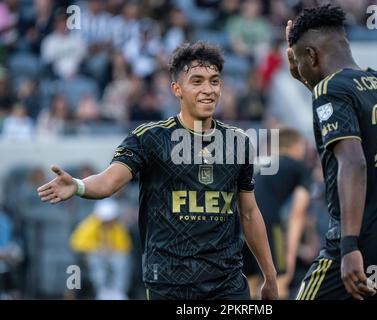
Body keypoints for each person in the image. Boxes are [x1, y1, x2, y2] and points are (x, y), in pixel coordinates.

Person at [37, 41, 278, 300]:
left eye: (214, 81)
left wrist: (270, 276)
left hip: (227, 286)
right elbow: (109, 181)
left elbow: (250, 213)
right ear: (177, 89)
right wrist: (79, 185)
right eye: (197, 81)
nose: (208, 89)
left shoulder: (238, 142)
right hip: (169, 286)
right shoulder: (149, 139)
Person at [286, 5, 377, 300]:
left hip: (361, 244)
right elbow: (342, 101)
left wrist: (350, 247)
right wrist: (302, 78)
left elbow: (354, 162)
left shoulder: (330, 89)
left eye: (300, 61)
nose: (299, 69)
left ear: (312, 56)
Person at [243, 128, 310, 299]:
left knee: (249, 285)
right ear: (296, 146)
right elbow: (298, 212)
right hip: (266, 225)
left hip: (240, 224)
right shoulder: (299, 167)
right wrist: (290, 255)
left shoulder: (258, 161)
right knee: (278, 283)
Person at [70, 199, 132, 300]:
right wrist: (97, 248)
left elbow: (125, 246)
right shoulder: (89, 225)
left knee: (122, 261)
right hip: (93, 256)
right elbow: (76, 243)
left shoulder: (118, 226)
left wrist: (112, 249)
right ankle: (102, 291)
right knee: (96, 262)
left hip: (112, 255)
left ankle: (118, 291)